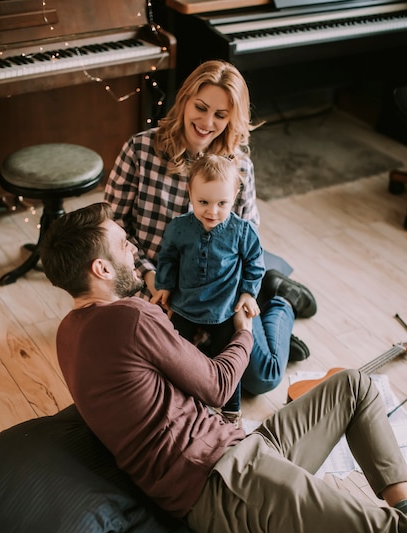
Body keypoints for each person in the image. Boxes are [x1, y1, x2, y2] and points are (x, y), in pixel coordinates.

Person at [40, 202, 407, 533]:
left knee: (353, 386)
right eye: (122, 244)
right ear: (100, 269)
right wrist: (243, 331)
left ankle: (403, 502)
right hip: (222, 486)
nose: (133, 248)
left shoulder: (68, 330)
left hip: (238, 451)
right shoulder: (130, 317)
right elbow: (218, 386)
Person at [104, 59, 317, 397]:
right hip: (157, 286)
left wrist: (243, 295)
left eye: (220, 115)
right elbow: (112, 230)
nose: (206, 123)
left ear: (232, 118)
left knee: (262, 379)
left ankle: (281, 299)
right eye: (200, 108)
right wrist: (153, 279)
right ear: (185, 99)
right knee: (164, 375)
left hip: (223, 291)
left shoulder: (240, 166)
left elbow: (249, 239)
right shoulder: (140, 150)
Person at [152, 154, 265, 426]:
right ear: (190, 192)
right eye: (203, 202)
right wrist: (164, 286)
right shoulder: (179, 227)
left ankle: (231, 411)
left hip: (225, 308)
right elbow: (167, 257)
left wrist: (248, 293)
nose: (212, 211)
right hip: (185, 305)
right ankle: (175, 402)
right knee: (172, 354)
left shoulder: (242, 231)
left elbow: (254, 263)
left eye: (222, 203)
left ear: (235, 196)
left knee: (227, 360)